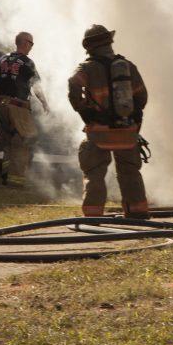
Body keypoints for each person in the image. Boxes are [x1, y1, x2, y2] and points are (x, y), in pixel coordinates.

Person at [67, 24, 150, 217]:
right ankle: (137, 213)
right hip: (126, 129)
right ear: (110, 42)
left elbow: (73, 85)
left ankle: (93, 215)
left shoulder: (86, 68)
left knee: (94, 172)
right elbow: (142, 97)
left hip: (99, 131)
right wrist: (133, 120)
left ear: (88, 46)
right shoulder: (127, 66)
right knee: (130, 172)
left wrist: (86, 114)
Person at [0, 31, 50, 185]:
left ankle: (5, 175)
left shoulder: (2, 59)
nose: (32, 46)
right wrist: (44, 102)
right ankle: (16, 180)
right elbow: (36, 86)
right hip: (18, 107)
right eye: (31, 43)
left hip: (2, 106)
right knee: (24, 140)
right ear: (24, 43)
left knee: (8, 142)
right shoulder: (27, 62)